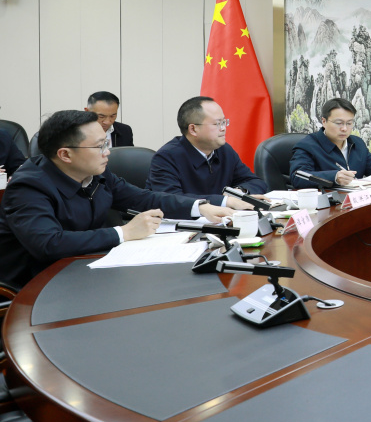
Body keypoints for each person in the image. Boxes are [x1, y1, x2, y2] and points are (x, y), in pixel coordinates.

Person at [0, 110, 233, 288]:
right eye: (99, 146)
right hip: (35, 286)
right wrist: (124, 232)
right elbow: (49, 244)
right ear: (65, 154)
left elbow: (141, 198)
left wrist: (200, 207)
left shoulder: (96, 173)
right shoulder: (28, 187)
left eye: (106, 143)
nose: (107, 152)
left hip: (83, 270)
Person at [146, 96, 269, 208]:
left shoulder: (224, 150)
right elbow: (171, 199)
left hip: (221, 220)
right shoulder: (166, 157)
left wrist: (239, 192)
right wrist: (225, 201)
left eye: (224, 122)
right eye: (217, 123)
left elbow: (255, 182)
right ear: (193, 129)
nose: (223, 128)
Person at [290, 98, 371, 188]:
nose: (344, 128)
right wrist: (334, 177)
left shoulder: (356, 143)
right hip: (328, 205)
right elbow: (298, 177)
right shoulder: (308, 146)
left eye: (349, 123)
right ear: (324, 121)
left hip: (356, 202)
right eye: (339, 123)